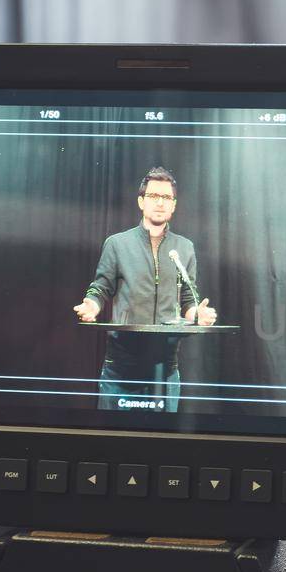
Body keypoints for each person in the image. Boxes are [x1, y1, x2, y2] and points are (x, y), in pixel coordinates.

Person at [74, 167, 216, 411]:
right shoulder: (117, 244)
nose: (160, 203)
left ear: (173, 205)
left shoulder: (184, 248)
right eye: (153, 196)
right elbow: (101, 288)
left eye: (166, 198)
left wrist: (198, 315)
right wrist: (91, 305)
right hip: (120, 370)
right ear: (141, 201)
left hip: (165, 372)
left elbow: (188, 300)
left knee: (161, 446)